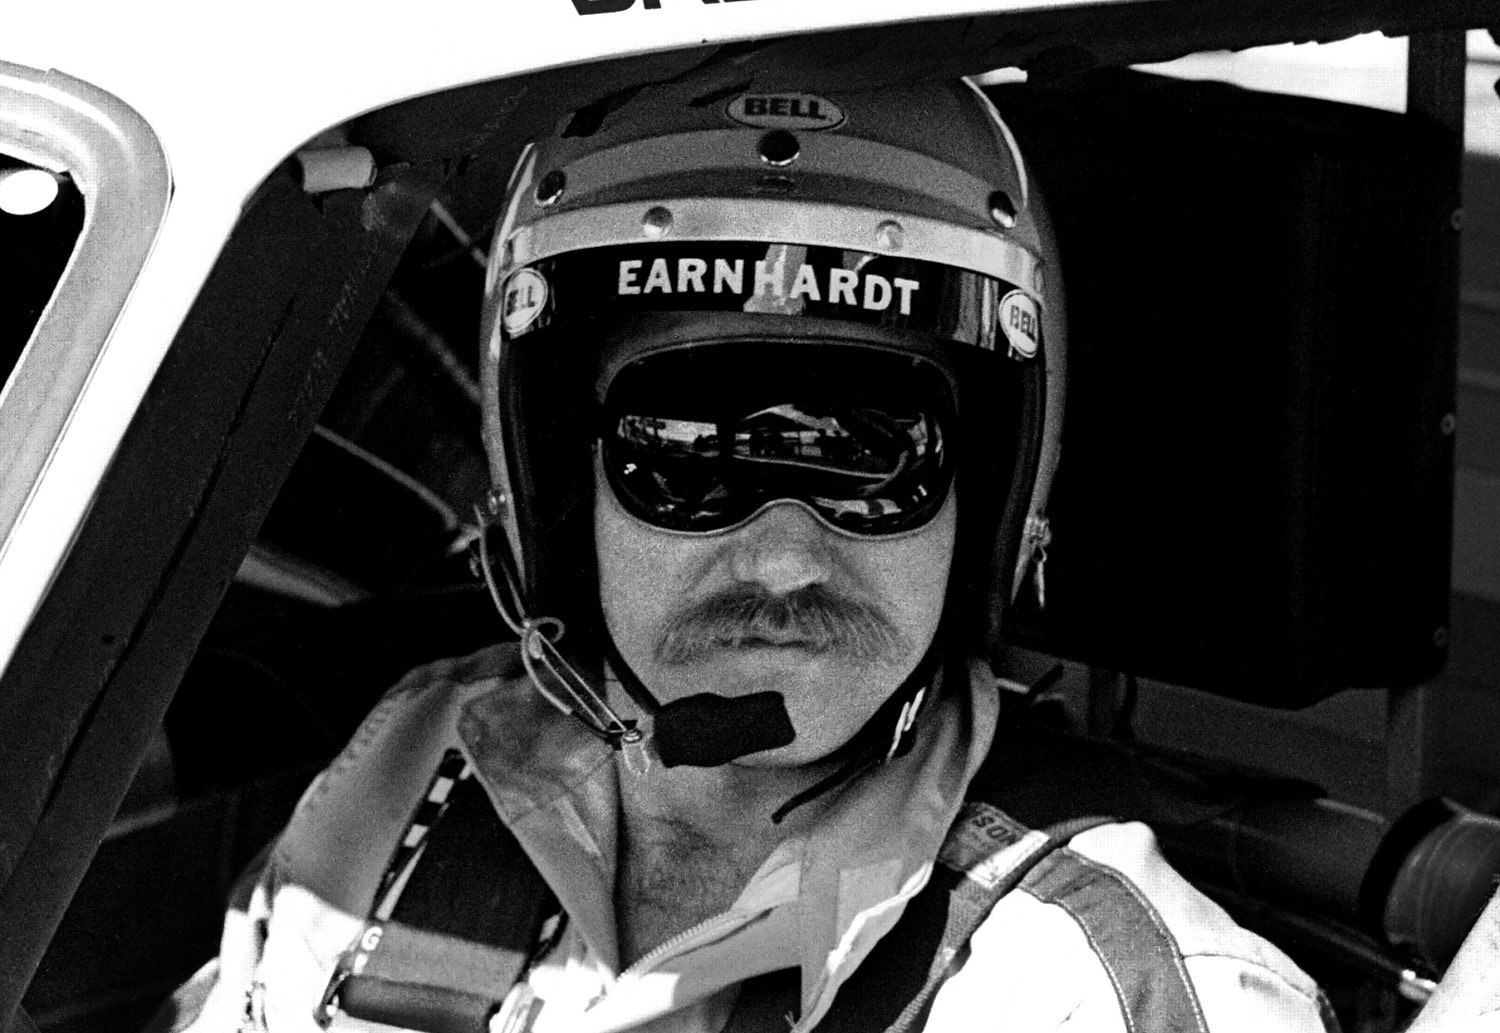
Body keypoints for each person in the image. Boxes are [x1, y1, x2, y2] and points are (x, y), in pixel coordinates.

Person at [161, 77, 1338, 1032]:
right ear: (561, 497)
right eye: (686, 455)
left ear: (982, 510)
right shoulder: (417, 769)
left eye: (870, 454)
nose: (781, 562)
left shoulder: (1084, 988)